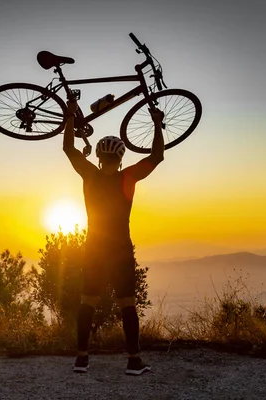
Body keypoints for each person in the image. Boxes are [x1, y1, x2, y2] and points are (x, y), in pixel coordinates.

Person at [62, 96, 164, 375]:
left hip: (93, 247)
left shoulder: (90, 176)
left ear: (97, 156)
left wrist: (70, 115)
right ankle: (133, 360)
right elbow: (157, 157)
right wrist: (157, 124)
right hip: (120, 249)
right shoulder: (127, 178)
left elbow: (68, 148)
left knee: (87, 302)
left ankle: (81, 359)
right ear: (119, 159)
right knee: (127, 304)